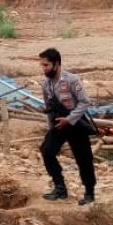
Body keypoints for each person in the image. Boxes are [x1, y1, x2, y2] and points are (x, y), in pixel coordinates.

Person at [38, 47, 97, 206]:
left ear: (56, 64)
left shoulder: (72, 80)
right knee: (47, 151)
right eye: (42, 65)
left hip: (75, 123)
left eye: (46, 65)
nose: (44, 69)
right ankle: (60, 187)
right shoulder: (46, 85)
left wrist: (69, 119)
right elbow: (48, 107)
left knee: (83, 159)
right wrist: (52, 126)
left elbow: (85, 102)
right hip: (58, 124)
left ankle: (89, 193)